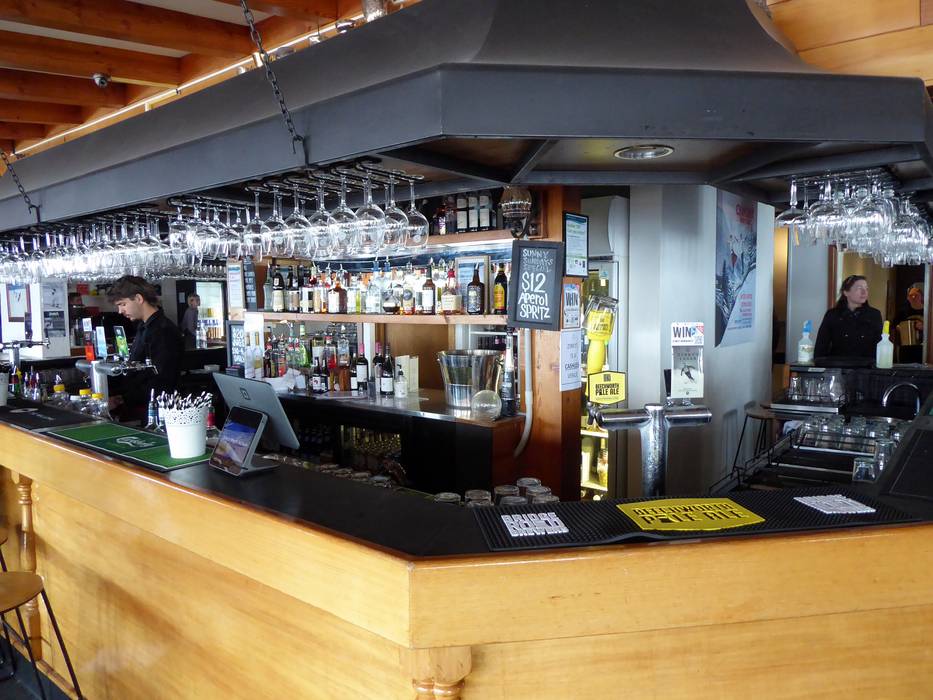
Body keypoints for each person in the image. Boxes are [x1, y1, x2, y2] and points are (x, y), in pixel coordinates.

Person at [107, 276, 184, 416]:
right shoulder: (144, 326)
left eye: (123, 304)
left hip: (158, 410)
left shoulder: (163, 331)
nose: (120, 311)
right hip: (143, 403)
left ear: (138, 298)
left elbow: (162, 379)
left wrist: (124, 399)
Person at [814, 275, 883, 361]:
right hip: (838, 365)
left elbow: (880, 344)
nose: (864, 292)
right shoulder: (832, 315)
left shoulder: (874, 315)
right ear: (846, 292)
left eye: (866, 289)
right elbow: (821, 346)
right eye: (859, 288)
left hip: (866, 366)